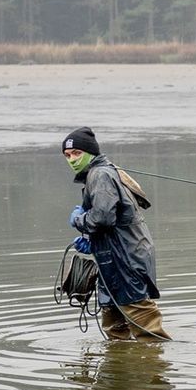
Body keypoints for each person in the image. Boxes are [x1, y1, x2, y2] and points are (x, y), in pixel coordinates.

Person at [63, 127, 171, 341]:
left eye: (77, 153)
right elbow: (111, 219)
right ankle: (121, 370)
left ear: (90, 152)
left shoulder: (100, 175)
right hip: (113, 258)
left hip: (126, 259)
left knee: (147, 329)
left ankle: (156, 370)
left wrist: (78, 219)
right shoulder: (100, 173)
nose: (72, 160)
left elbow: (103, 217)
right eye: (67, 156)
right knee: (115, 329)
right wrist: (92, 241)